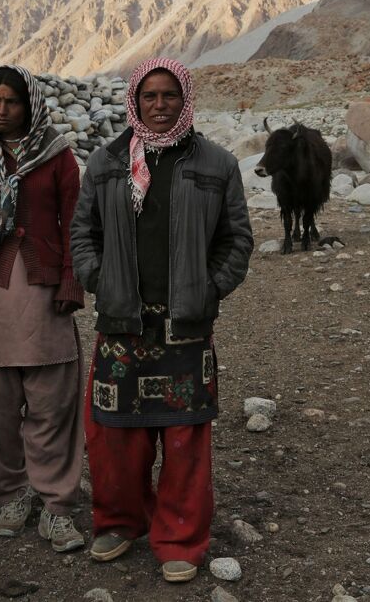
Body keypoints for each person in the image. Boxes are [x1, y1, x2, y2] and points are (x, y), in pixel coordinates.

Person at [70, 57, 253, 582]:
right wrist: (98, 279)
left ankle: (179, 537)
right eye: (149, 96)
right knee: (114, 438)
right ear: (135, 100)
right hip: (123, 324)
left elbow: (236, 239)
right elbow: (84, 233)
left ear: (185, 99)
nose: (158, 105)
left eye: (169, 95)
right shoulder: (106, 164)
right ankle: (121, 522)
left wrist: (209, 288)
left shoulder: (216, 165)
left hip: (185, 328)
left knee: (184, 440)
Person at [0, 65, 85, 550]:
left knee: (52, 400)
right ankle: (11, 495)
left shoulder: (58, 157)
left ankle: (57, 506)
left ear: (31, 106)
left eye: (12, 102)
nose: (1, 110)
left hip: (46, 293)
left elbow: (75, 227)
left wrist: (72, 280)